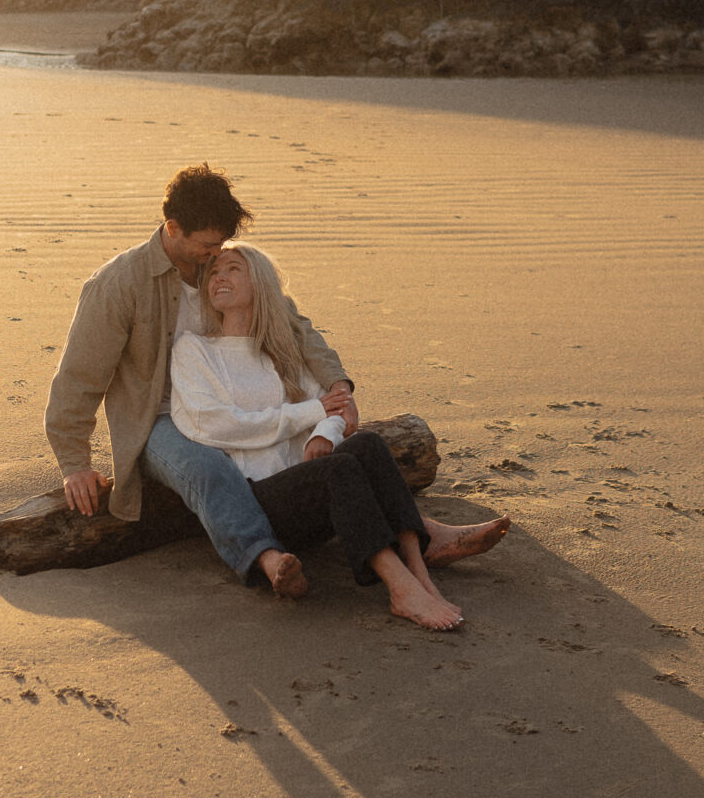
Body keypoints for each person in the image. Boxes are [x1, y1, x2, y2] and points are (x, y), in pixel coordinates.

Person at [45, 164, 357, 596]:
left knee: (331, 443)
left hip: (232, 391)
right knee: (208, 468)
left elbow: (297, 328)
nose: (217, 256)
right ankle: (266, 557)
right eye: (208, 245)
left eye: (222, 243)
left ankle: (416, 534)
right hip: (161, 415)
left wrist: (338, 388)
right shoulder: (118, 284)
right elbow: (78, 379)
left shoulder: (222, 265)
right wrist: (74, 463)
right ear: (173, 228)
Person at [171, 241, 509, 631]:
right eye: (214, 272)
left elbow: (331, 407)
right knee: (341, 469)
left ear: (259, 283)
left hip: (317, 497)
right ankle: (400, 588)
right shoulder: (195, 350)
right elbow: (214, 423)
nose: (219, 277)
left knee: (367, 443)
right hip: (263, 501)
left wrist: (325, 434)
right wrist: (311, 415)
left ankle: (420, 572)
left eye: (232, 269)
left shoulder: (280, 352)